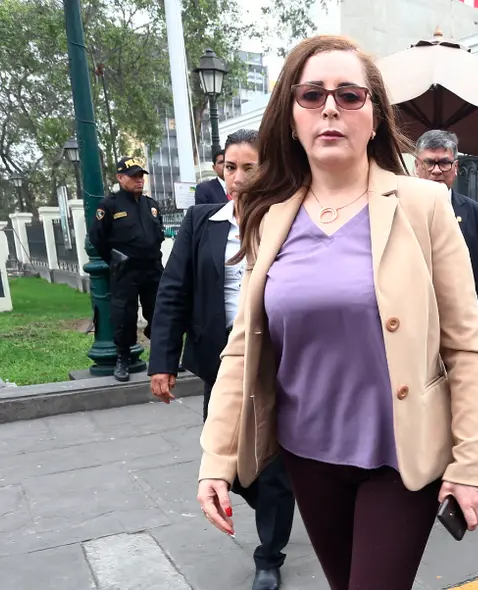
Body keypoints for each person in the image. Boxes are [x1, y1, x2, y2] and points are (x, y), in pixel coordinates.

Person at [194, 35, 478, 590]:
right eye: (312, 95)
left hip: (400, 457)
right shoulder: (268, 217)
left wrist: (470, 465)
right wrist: (216, 458)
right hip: (309, 456)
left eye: (350, 95)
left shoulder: (424, 206)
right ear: (291, 117)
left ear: (374, 118)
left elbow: (465, 347)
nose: (330, 108)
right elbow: (242, 349)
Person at [148, 130, 296, 590]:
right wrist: (162, 361)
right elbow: (173, 292)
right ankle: (282, 496)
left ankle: (269, 556)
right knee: (226, 455)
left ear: (267, 168)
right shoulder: (201, 221)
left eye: (248, 167)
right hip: (221, 365)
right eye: (229, 167)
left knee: (271, 464)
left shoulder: (289, 220)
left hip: (277, 365)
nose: (236, 177)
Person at [414, 129, 478, 349]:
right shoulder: (399, 208)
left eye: (444, 163)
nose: (436, 171)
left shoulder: (475, 212)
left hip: (462, 322)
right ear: (416, 166)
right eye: (429, 163)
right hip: (414, 322)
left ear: (456, 167)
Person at [89, 156, 165, 382]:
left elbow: (158, 235)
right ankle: (122, 359)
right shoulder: (109, 205)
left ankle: (161, 358)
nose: (139, 180)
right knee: (124, 315)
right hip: (126, 271)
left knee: (160, 313)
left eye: (141, 175)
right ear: (120, 178)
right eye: (133, 176)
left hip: (152, 269)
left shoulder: (150, 205)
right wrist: (115, 259)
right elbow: (97, 238)